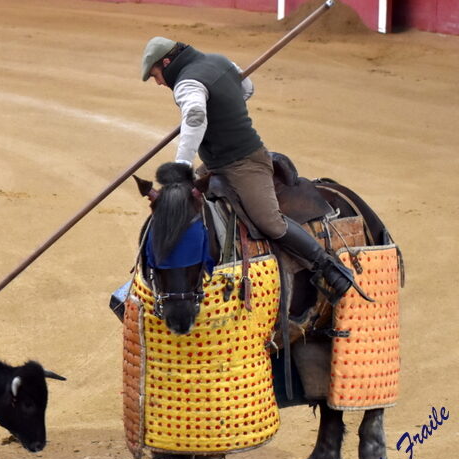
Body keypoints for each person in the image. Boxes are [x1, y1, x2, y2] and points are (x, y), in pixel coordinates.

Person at [141, 36, 365, 302]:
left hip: (244, 163)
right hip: (217, 164)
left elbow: (196, 116)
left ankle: (327, 266)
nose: (159, 82)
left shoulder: (186, 83)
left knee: (270, 222)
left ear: (167, 63)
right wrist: (224, 107)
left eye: (156, 74)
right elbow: (247, 88)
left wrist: (181, 168)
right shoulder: (220, 61)